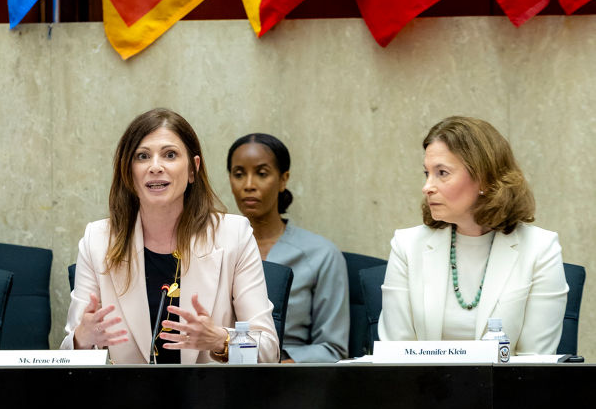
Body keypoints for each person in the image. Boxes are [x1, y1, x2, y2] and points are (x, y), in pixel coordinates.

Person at [61, 108, 279, 363]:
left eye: (170, 155)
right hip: (130, 389)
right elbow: (66, 363)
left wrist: (220, 340)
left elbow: (268, 352)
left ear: (193, 169)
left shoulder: (234, 236)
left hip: (209, 389)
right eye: (142, 156)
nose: (155, 167)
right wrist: (82, 339)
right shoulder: (98, 240)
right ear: (128, 172)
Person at [379, 116, 567, 354]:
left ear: (484, 180)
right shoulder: (407, 246)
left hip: (508, 380)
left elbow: (534, 361)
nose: (427, 187)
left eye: (442, 173)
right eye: (427, 173)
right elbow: (395, 354)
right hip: (423, 379)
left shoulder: (540, 249)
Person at [227, 133, 349, 362]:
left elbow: (333, 348)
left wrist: (281, 368)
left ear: (283, 179)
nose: (249, 185)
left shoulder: (321, 254)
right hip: (223, 368)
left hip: (293, 374)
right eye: (239, 174)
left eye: (262, 174)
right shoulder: (215, 248)